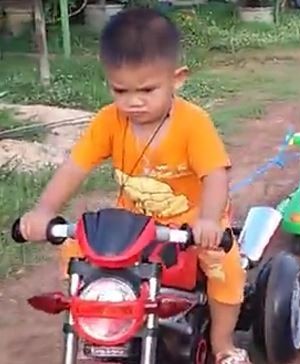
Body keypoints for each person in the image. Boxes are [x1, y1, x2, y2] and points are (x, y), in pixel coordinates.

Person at [18, 7, 251, 364]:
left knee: (225, 267)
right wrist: (44, 212)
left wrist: (207, 221)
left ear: (178, 79)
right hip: (130, 223)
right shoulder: (108, 121)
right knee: (75, 252)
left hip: (190, 222)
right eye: (120, 90)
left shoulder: (193, 123)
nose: (133, 101)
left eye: (147, 89)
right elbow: (74, 167)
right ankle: (101, 322)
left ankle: (222, 345)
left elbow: (215, 174)